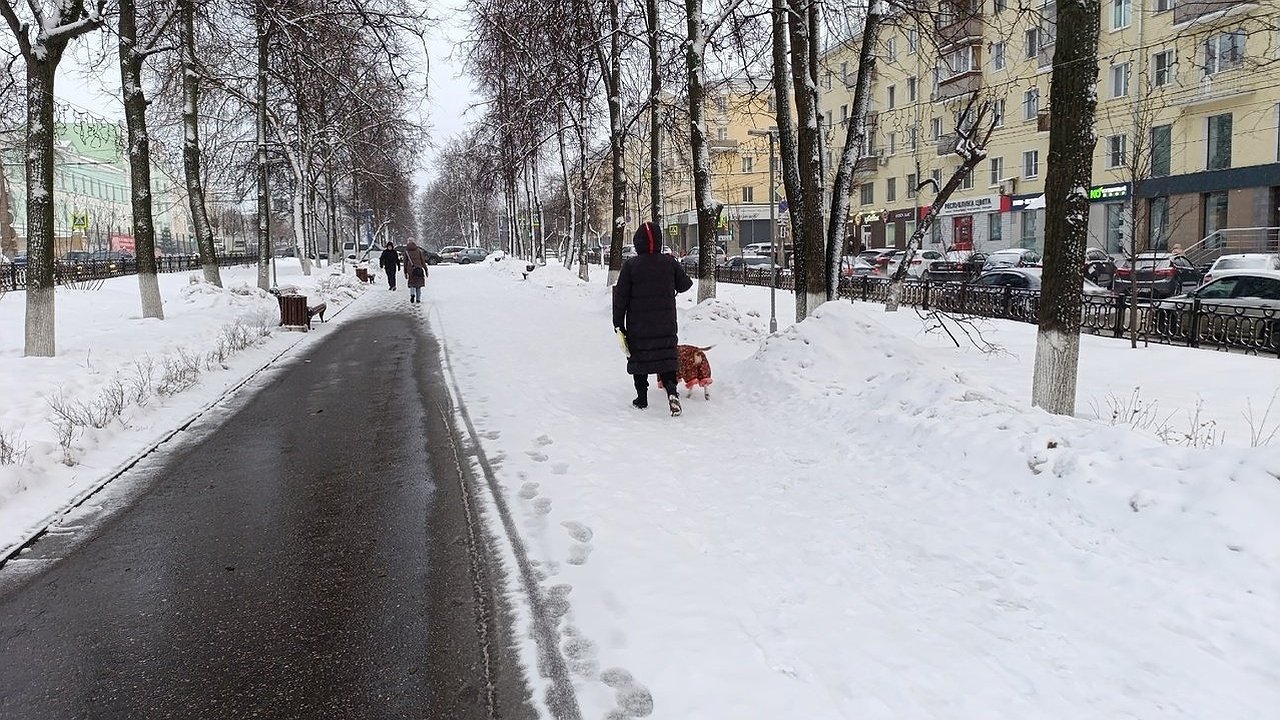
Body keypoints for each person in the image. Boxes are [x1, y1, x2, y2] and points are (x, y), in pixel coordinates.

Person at [612, 221, 693, 416]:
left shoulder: (631, 265)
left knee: (639, 359)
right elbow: (685, 285)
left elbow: (620, 297)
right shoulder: (668, 262)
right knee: (666, 358)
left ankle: (642, 398)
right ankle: (672, 393)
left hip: (638, 325)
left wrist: (618, 323)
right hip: (665, 323)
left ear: (637, 242)